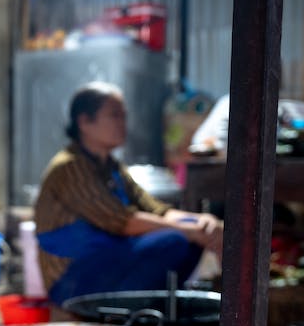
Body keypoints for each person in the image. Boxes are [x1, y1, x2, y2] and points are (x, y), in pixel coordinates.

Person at [35, 81, 223, 305]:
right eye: (114, 115)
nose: (123, 123)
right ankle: (123, 313)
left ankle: (149, 311)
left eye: (123, 115)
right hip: (72, 280)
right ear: (84, 122)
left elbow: (157, 210)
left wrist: (202, 222)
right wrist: (187, 229)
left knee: (194, 237)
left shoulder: (112, 167)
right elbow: (122, 222)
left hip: (108, 263)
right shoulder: (70, 167)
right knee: (174, 241)